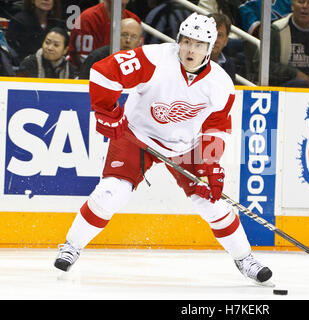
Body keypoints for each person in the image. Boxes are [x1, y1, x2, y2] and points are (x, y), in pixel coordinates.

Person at [54, 12, 273, 284]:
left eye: (198, 44)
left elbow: (216, 127)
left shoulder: (221, 84)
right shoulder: (154, 58)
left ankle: (245, 258)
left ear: (210, 47)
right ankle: (72, 246)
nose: (190, 49)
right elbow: (103, 72)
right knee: (112, 193)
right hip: (137, 135)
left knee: (211, 204)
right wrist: (107, 111)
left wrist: (211, 164)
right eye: (186, 41)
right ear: (178, 39)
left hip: (187, 144)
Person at [67, 0, 141, 69]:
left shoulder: (134, 21)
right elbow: (84, 62)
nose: (128, 40)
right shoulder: (87, 19)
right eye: (125, 34)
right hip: (90, 75)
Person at [78, 18, 143, 79]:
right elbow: (83, 85)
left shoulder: (144, 61)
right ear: (116, 35)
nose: (128, 40)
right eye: (124, 35)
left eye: (134, 37)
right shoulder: (98, 57)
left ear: (140, 41)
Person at [208, 13, 237, 83]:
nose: (215, 39)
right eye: (211, 33)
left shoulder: (229, 65)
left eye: (220, 35)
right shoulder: (191, 60)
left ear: (226, 41)